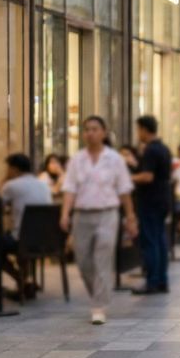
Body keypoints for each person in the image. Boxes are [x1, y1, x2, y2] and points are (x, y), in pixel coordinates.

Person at [60, 117, 137, 324]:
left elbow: (124, 190)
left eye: (95, 129)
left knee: (103, 258)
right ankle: (98, 295)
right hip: (81, 214)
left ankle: (98, 306)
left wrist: (130, 216)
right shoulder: (76, 160)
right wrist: (65, 213)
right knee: (83, 261)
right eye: (87, 129)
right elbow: (69, 188)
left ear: (104, 132)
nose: (90, 133)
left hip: (107, 213)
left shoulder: (115, 159)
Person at [131, 115, 173, 295]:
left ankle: (152, 280)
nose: (137, 133)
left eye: (138, 129)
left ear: (144, 129)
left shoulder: (150, 150)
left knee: (150, 240)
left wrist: (129, 177)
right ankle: (162, 279)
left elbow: (147, 176)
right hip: (163, 198)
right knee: (160, 239)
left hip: (150, 200)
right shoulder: (164, 149)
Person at [1, 154, 52, 242]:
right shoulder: (45, 185)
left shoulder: (10, 185)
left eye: (8, 169)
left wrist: (5, 181)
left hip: (19, 237)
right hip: (44, 238)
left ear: (14, 169)